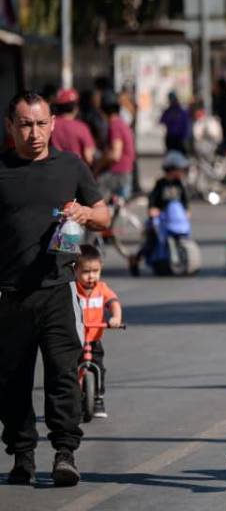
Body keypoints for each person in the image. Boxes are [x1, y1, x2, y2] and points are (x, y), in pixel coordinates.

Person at [0, 92, 110, 487]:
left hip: (59, 291)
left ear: (52, 124)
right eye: (25, 124)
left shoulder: (70, 167)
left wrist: (84, 213)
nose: (35, 133)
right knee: (11, 382)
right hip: (9, 296)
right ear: (10, 126)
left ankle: (65, 453)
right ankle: (23, 455)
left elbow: (103, 214)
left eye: (42, 123)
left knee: (64, 375)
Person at [72, 243, 122, 419]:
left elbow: (113, 303)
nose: (91, 276)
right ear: (75, 271)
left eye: (95, 271)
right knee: (69, 369)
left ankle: (98, 398)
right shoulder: (72, 290)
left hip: (94, 339)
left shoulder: (102, 289)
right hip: (75, 339)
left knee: (99, 368)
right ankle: (72, 401)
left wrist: (115, 318)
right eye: (86, 272)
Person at [95, 92, 136, 200]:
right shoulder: (121, 123)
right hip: (125, 172)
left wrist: (98, 165)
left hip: (117, 173)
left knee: (95, 200)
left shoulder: (115, 125)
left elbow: (115, 154)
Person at [49, 88, 96, 167]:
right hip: (76, 170)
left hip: (54, 169)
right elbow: (89, 157)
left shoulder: (51, 124)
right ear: (75, 108)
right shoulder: (81, 127)